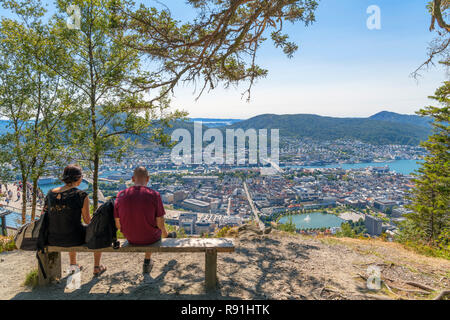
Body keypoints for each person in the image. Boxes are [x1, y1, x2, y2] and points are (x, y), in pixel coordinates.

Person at [44, 164, 106, 277]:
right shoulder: (81, 195)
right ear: (78, 178)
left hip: (52, 237)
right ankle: (97, 267)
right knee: (97, 231)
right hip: (73, 238)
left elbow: (46, 215)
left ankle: (73, 265)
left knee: (68, 225)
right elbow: (88, 221)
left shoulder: (50, 193)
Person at [114, 166, 173, 274]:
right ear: (148, 179)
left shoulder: (121, 195)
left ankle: (147, 261)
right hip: (150, 238)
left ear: (132, 179)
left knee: (143, 227)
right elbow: (160, 223)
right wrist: (166, 236)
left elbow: (118, 224)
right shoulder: (154, 195)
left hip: (130, 237)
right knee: (150, 230)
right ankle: (147, 261)